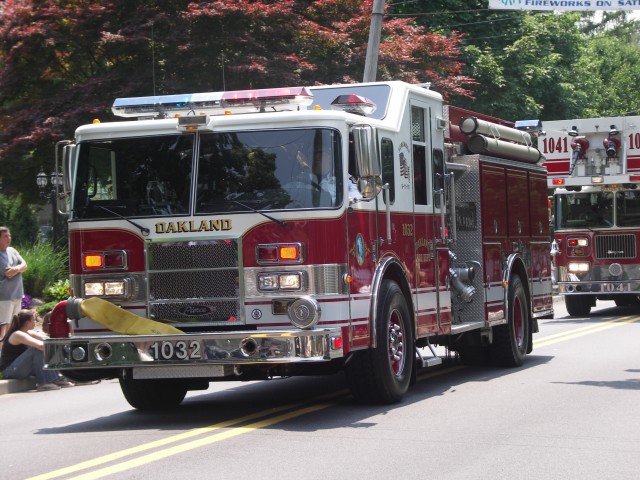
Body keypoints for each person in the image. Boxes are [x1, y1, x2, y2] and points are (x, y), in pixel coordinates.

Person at [0, 309, 73, 391]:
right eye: (34, 320)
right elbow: (40, 345)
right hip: (11, 371)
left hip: (23, 369)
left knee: (51, 346)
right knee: (37, 349)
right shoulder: (17, 334)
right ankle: (44, 383)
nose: (35, 322)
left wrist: (63, 341)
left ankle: (58, 378)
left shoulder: (29, 332)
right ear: (27, 323)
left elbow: (49, 341)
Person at [0, 226, 27, 350]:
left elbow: (25, 265)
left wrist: (16, 268)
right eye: (5, 236)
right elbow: (8, 273)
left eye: (9, 235)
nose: (9, 238)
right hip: (4, 296)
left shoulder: (12, 250)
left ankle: (10, 350)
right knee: (3, 326)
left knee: (15, 324)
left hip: (17, 294)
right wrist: (19, 269)